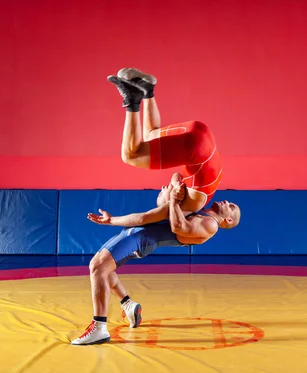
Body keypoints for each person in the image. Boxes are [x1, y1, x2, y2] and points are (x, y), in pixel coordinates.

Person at [70, 181, 241, 345]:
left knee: (98, 267)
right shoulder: (197, 208)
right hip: (134, 233)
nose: (227, 201)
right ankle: (128, 305)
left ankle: (99, 327)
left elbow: (178, 227)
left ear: (229, 220)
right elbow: (143, 217)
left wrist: (173, 199)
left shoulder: (211, 225)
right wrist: (111, 220)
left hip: (141, 239)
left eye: (231, 206)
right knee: (103, 269)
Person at [108, 67, 223, 215]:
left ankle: (147, 90)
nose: (163, 188)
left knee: (151, 136)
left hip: (201, 132)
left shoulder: (187, 190)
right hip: (195, 148)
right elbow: (146, 218)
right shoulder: (190, 206)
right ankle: (131, 100)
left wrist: (174, 185)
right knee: (130, 156)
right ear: (170, 202)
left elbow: (177, 176)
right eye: (162, 193)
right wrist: (112, 220)